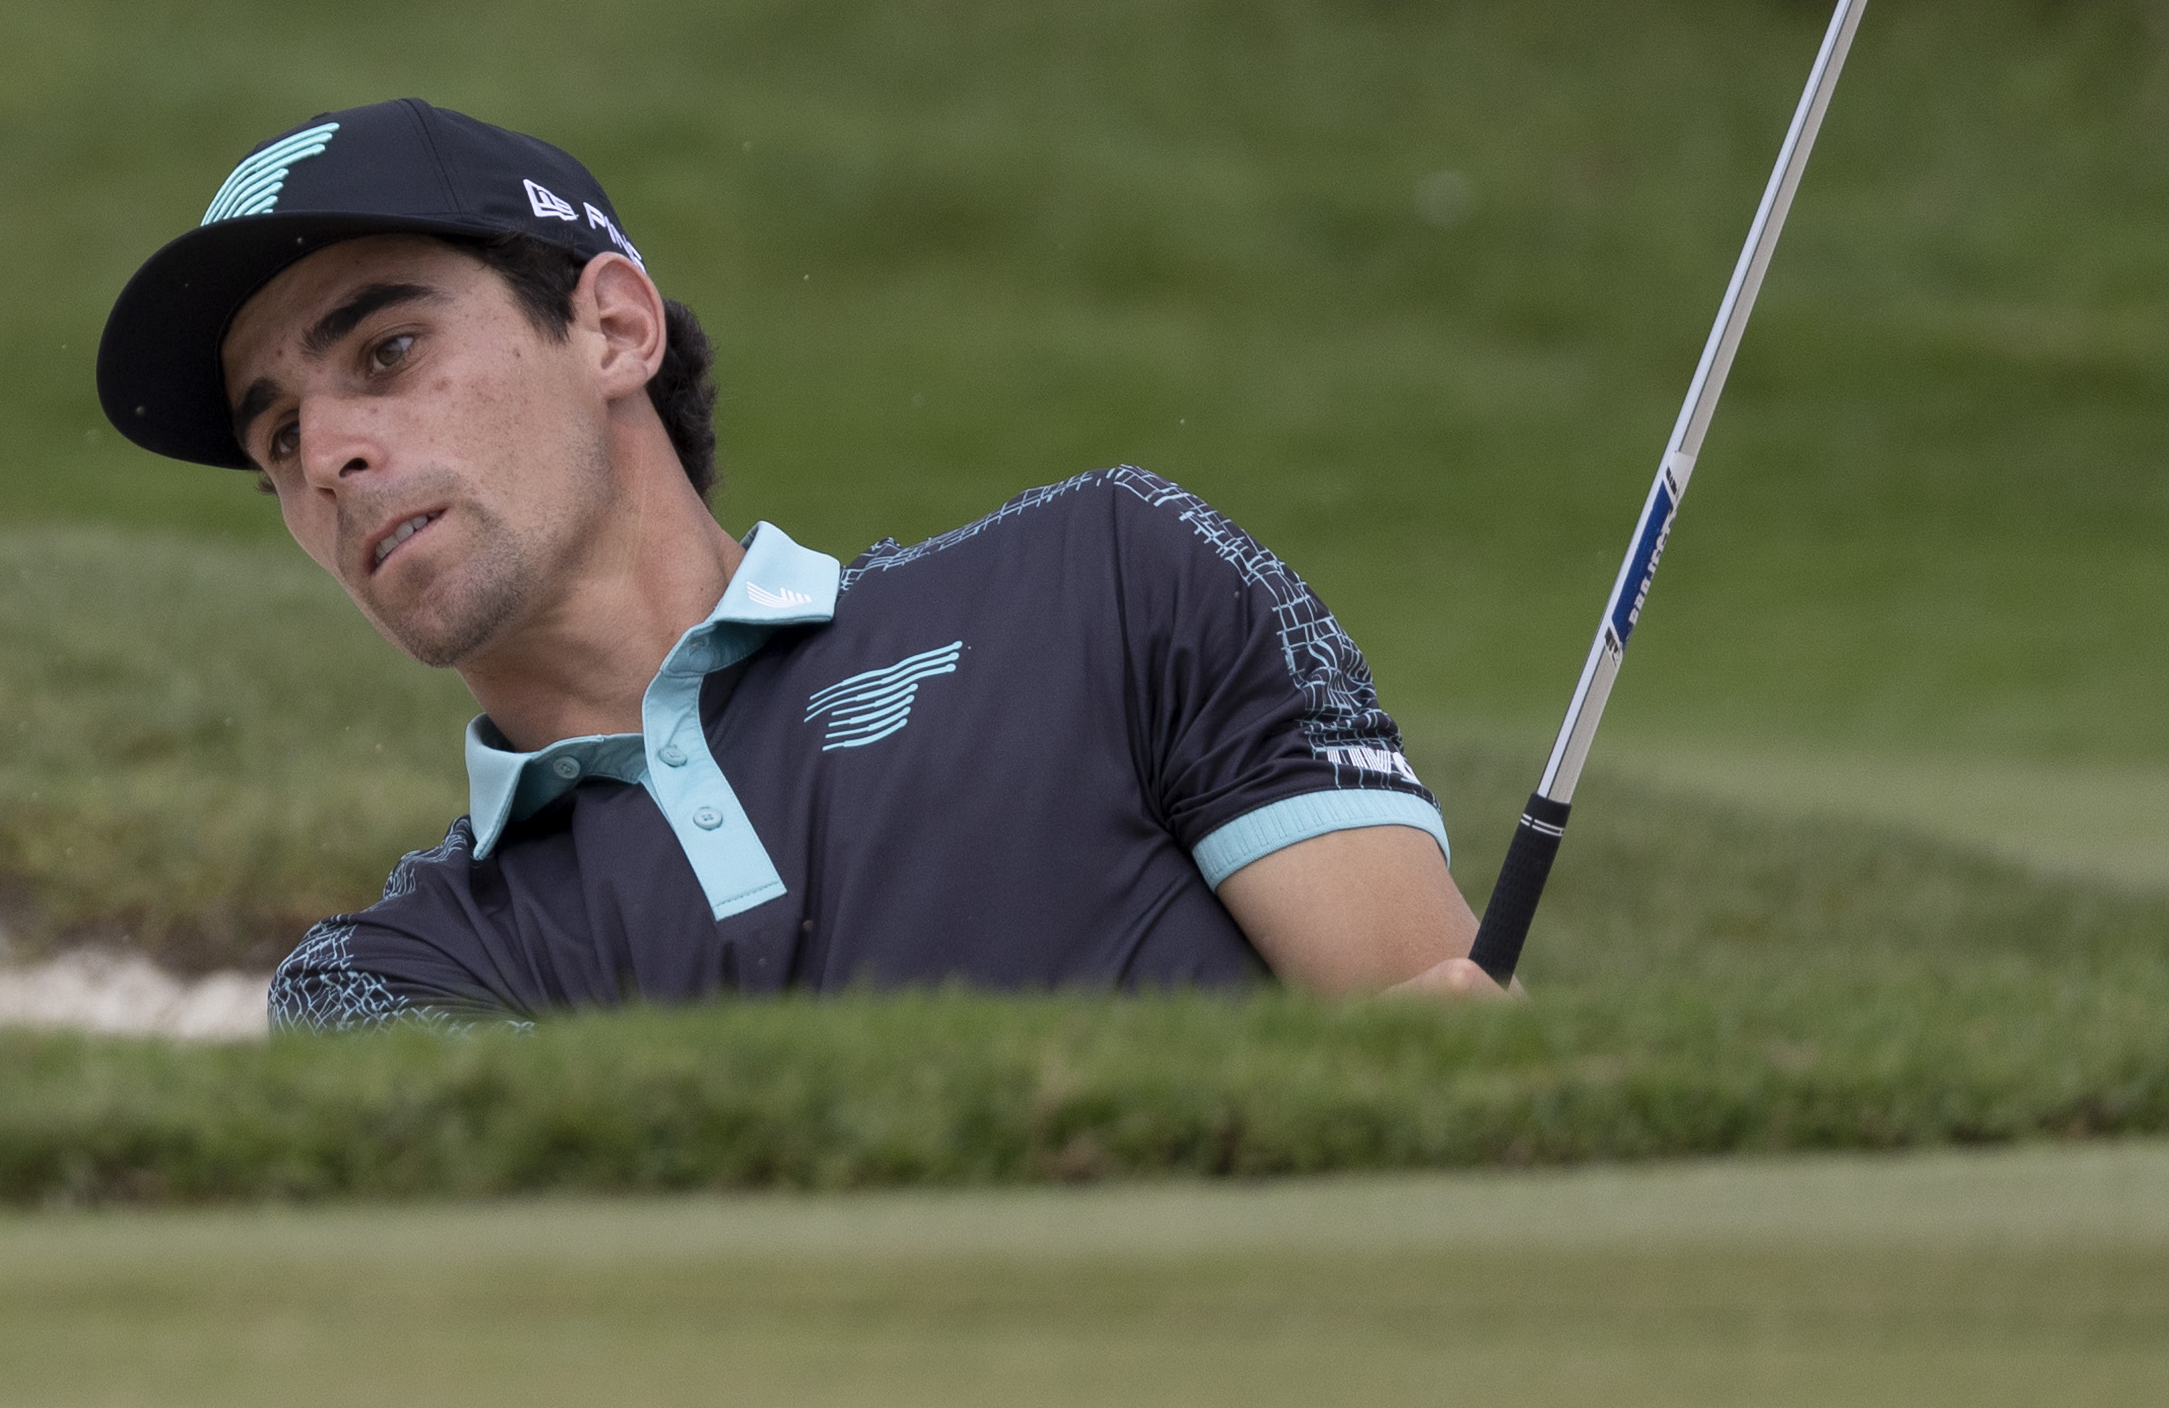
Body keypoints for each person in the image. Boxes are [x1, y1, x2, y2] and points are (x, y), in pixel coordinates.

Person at [91, 100, 1499, 1024]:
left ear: (615, 329)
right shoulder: (387, 982)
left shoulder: (1109, 579)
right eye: (274, 435)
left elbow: (1421, 1082)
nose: (325, 450)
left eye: (387, 351)